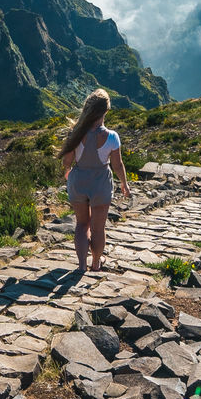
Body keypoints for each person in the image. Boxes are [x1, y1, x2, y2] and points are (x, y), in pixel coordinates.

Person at [58, 88, 132, 275]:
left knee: (82, 224)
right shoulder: (112, 137)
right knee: (98, 228)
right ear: (106, 111)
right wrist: (124, 183)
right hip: (101, 184)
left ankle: (81, 265)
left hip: (78, 182)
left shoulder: (75, 133)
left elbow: (67, 161)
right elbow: (117, 165)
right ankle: (96, 263)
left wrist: (67, 171)